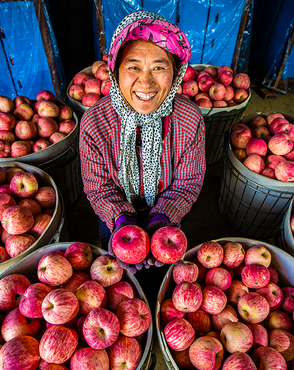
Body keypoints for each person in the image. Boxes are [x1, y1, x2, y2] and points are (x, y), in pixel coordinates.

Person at [79, 11, 206, 302]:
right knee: (122, 286)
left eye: (159, 68)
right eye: (133, 67)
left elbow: (188, 182)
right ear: (115, 70)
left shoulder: (189, 119)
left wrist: (164, 217)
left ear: (176, 72)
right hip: (116, 218)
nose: (145, 83)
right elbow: (99, 188)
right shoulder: (95, 123)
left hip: (168, 215)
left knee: (163, 282)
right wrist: (121, 221)